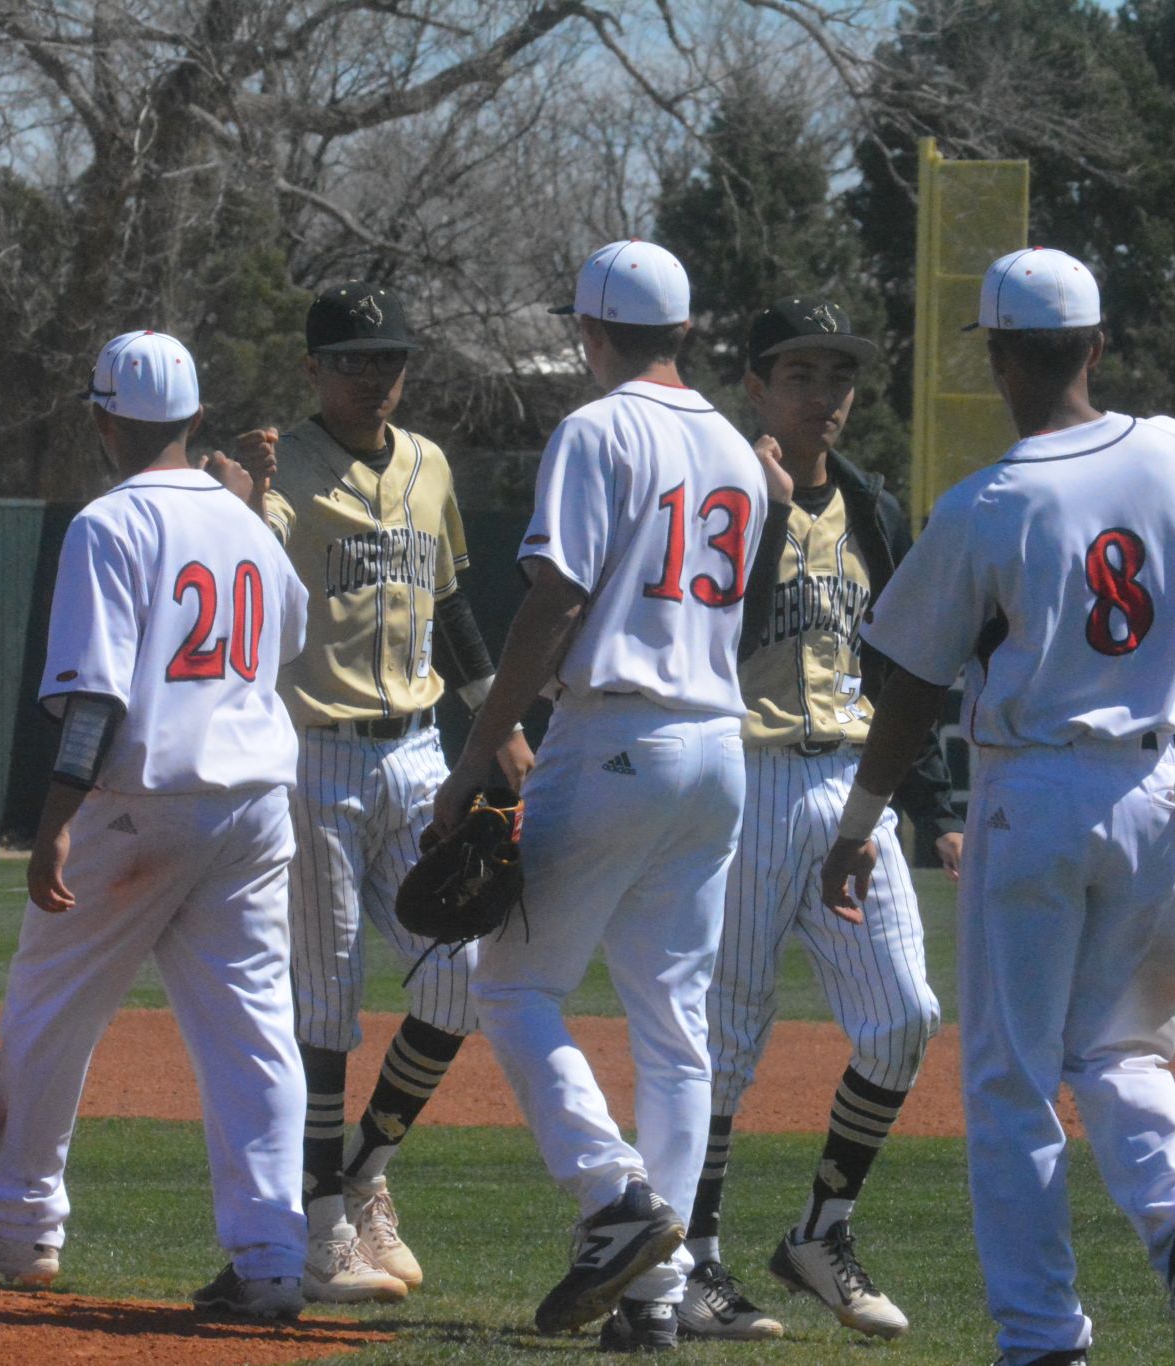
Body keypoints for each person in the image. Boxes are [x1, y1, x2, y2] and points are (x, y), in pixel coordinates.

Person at [820, 247, 1175, 1366]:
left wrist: (861, 817)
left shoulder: (989, 502)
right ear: (1097, 345)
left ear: (998, 357)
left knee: (1011, 1082)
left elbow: (911, 685)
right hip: (1157, 788)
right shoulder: (1166, 448)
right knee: (1123, 1055)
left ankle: (1040, 1335)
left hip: (1034, 790)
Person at [0, 330, 312, 1321]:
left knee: (52, 1007)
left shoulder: (110, 523)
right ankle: (271, 1257)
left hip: (143, 803)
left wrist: (53, 818)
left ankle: (15, 1222)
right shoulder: (245, 523)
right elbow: (291, 636)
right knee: (254, 1034)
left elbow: (93, 698)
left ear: (104, 419)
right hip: (254, 805)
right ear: (190, 419)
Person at [430, 239, 767, 1353]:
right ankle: (653, 1304)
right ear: (684, 330)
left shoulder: (596, 427)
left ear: (589, 332)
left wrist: (482, 750)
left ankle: (613, 1198)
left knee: (514, 986)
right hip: (718, 744)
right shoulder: (732, 446)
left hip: (616, 729)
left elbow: (554, 603)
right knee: (674, 1024)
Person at [230, 281, 532, 1304]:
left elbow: (451, 606)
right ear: (314, 369)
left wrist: (506, 729)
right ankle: (318, 1231)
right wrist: (241, 502)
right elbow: (242, 552)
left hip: (418, 750)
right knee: (326, 993)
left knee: (462, 974)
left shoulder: (429, 463)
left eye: (389, 358)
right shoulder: (288, 472)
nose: (376, 375)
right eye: (355, 358)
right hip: (313, 753)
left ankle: (356, 1175)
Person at [678, 295, 957, 1343]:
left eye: (837, 377)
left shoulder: (875, 510)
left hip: (847, 782)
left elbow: (902, 666)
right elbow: (709, 628)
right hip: (741, 777)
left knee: (901, 1017)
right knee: (724, 1037)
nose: (824, 395)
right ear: (753, 386)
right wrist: (762, 506)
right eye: (799, 375)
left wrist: (927, 804)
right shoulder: (721, 499)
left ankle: (817, 1232)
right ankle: (693, 1258)